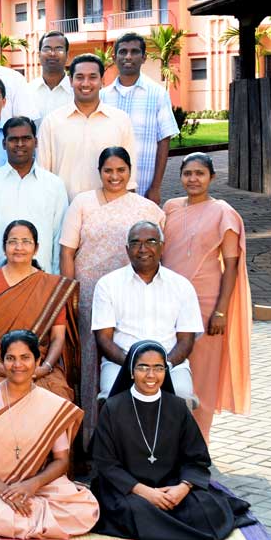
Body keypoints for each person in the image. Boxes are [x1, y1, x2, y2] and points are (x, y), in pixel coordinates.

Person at [90, 340, 253, 540]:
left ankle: (162, 523)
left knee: (204, 508)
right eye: (143, 367)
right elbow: (106, 463)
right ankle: (167, 522)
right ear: (131, 372)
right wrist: (145, 492)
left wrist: (182, 488)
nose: (151, 375)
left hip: (172, 485)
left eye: (158, 368)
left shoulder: (177, 407)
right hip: (129, 488)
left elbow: (196, 457)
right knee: (130, 510)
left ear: (165, 372)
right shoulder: (113, 408)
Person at [59, 147, 166, 442]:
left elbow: (160, 253)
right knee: (90, 360)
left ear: (130, 172)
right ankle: (91, 436)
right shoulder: (83, 203)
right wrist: (71, 294)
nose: (114, 176)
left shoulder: (147, 209)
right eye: (108, 170)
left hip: (133, 295)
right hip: (89, 294)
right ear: (100, 172)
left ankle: (132, 437)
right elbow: (67, 252)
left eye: (121, 170)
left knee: (130, 353)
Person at [0, 330, 99, 540]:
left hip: (37, 486)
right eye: (10, 358)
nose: (17, 365)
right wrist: (4, 491)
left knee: (85, 508)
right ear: (2, 361)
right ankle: (27, 515)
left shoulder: (51, 403)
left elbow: (61, 461)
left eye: (25, 357)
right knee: (7, 519)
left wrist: (31, 485)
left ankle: (32, 513)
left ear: (37, 361)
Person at [161, 153, 251, 443]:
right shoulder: (171, 208)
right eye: (187, 173)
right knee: (170, 369)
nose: (193, 179)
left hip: (207, 302)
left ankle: (200, 443)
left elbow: (231, 265)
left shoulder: (223, 212)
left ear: (212, 177)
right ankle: (171, 441)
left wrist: (221, 311)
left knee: (203, 374)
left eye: (200, 173)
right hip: (169, 302)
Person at [92, 221, 204, 408]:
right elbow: (103, 339)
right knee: (112, 397)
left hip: (170, 365)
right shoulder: (107, 284)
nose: (143, 249)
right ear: (127, 249)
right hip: (121, 364)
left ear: (162, 246)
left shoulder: (181, 286)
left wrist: (161, 366)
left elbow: (186, 340)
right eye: (136, 243)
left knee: (182, 396)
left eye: (151, 242)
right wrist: (133, 366)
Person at [0, 221, 78, 408]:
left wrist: (45, 368)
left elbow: (58, 337)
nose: (19, 247)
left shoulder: (51, 287)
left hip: (38, 366)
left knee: (58, 398)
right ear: (4, 248)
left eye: (26, 242)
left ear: (36, 248)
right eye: (13, 242)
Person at [38, 53, 137, 200]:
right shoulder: (52, 122)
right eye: (79, 77)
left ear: (102, 80)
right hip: (64, 208)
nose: (85, 83)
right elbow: (43, 175)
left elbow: (130, 176)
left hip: (108, 208)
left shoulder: (120, 120)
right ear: (71, 81)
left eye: (92, 77)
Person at [100, 33, 179, 203]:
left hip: (143, 188)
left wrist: (155, 187)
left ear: (143, 58)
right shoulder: (102, 97)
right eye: (123, 52)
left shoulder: (158, 94)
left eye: (134, 51)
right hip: (106, 189)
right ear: (114, 57)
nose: (128, 56)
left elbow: (164, 141)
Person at [0, 117, 68, 274]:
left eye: (26, 138)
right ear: (4, 144)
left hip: (42, 276)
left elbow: (59, 237)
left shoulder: (54, 185)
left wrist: (55, 279)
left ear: (35, 142)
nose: (20, 144)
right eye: (13, 139)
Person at [19, 31, 73, 128]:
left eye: (59, 49)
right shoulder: (27, 91)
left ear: (67, 55)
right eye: (47, 49)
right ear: (39, 55)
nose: (52, 53)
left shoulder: (76, 92)